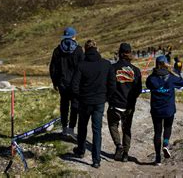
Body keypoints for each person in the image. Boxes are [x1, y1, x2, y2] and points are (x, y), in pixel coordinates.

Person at [72, 40, 116, 168]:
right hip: (99, 102)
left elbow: (74, 86)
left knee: (82, 127)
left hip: (84, 101)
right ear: (97, 49)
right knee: (97, 130)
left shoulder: (81, 65)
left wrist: (80, 98)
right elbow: (112, 84)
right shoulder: (106, 64)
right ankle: (96, 160)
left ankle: (80, 151)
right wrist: (106, 97)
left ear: (85, 50)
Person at [146, 55, 183, 165]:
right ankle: (165, 144)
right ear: (166, 64)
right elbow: (182, 83)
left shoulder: (151, 78)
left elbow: (148, 85)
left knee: (157, 132)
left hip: (156, 109)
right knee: (168, 127)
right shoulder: (172, 77)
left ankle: (158, 158)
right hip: (169, 109)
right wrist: (175, 71)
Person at [107, 43, 142, 162]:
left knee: (113, 125)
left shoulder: (112, 68)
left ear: (119, 53)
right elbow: (139, 90)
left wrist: (109, 98)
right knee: (127, 128)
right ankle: (126, 154)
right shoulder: (136, 71)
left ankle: (118, 145)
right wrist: (132, 100)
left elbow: (110, 86)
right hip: (129, 105)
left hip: (115, 104)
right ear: (130, 53)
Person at [49, 27, 84, 137]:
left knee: (64, 105)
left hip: (62, 83)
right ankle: (71, 129)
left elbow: (53, 68)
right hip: (75, 84)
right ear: (74, 36)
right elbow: (82, 68)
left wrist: (55, 82)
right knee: (75, 106)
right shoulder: (78, 50)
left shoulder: (57, 50)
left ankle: (64, 128)